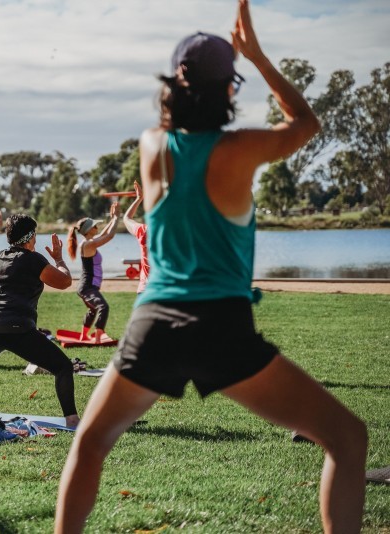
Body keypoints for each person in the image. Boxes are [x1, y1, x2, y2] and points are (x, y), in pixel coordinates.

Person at [55, 2, 366, 533]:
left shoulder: (153, 146)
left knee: (90, 442)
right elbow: (306, 123)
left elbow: (175, 124)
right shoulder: (242, 148)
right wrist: (257, 56)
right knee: (347, 438)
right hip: (220, 326)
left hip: (153, 322)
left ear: (174, 87)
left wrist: (193, 83)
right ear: (228, 89)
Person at [0, 214, 81, 428]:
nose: (36, 239)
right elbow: (65, 281)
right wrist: (58, 259)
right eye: (34, 235)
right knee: (63, 367)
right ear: (29, 237)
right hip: (18, 330)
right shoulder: (34, 260)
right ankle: (72, 420)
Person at [67, 202, 121, 342]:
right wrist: (117, 218)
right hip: (87, 287)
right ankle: (98, 337)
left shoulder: (88, 242)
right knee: (103, 307)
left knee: (93, 309)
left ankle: (84, 336)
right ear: (89, 230)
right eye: (95, 226)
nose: (98, 228)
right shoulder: (88, 244)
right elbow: (109, 236)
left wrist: (112, 219)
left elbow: (104, 234)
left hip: (87, 286)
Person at [122, 182, 150, 293]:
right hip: (171, 292)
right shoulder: (181, 234)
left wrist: (139, 198)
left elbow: (126, 218)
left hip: (145, 291)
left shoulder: (144, 231)